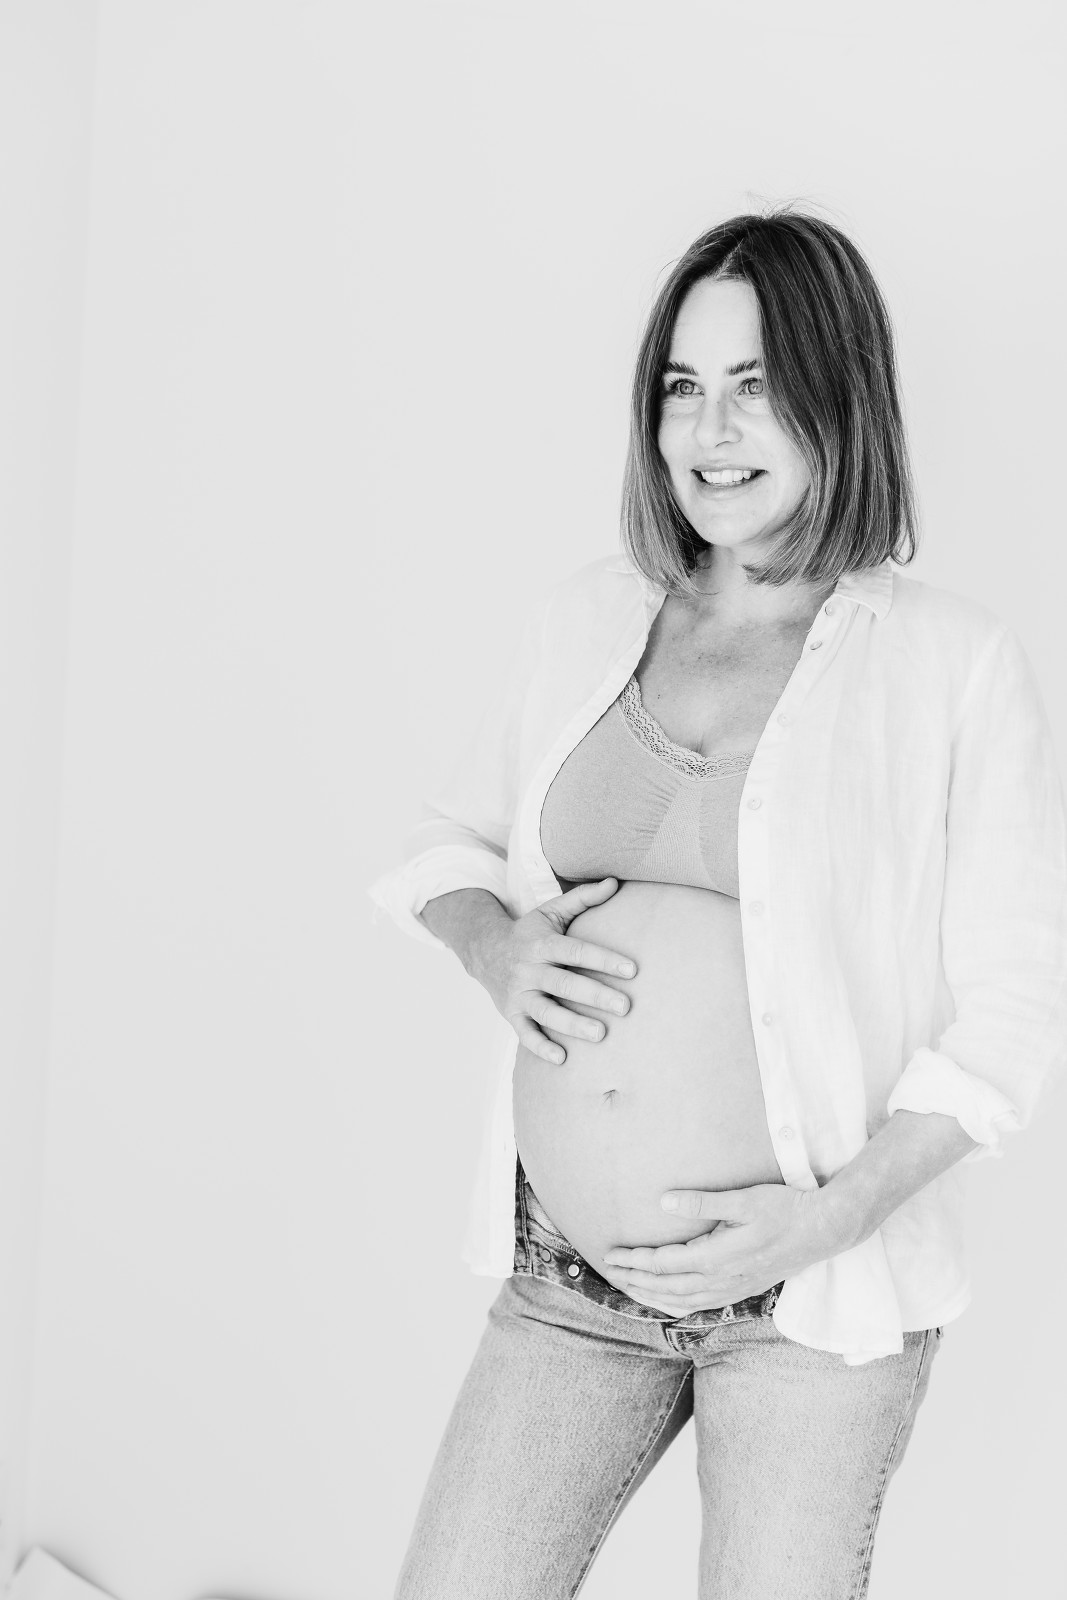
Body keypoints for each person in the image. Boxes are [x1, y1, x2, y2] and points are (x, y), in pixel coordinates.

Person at [367, 209, 1067, 1599]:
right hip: (570, 1276)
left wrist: (828, 1220)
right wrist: (494, 946)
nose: (712, 428)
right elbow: (450, 843)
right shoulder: (589, 615)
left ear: (838, 397)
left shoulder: (951, 665)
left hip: (812, 1299)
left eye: (756, 383)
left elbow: (1016, 1014)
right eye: (683, 385)